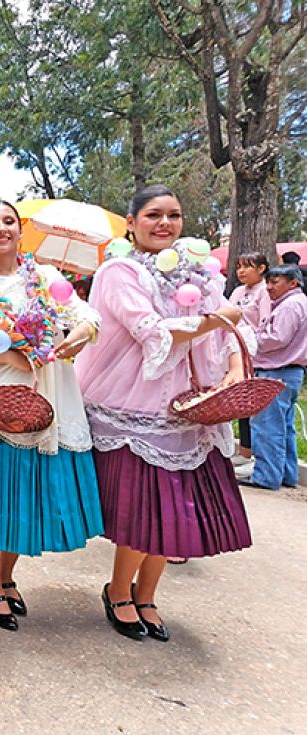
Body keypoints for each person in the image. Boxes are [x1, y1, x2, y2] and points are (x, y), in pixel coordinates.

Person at [76, 185, 251, 643]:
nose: (165, 223)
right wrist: (219, 318)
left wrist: (234, 368)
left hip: (194, 407)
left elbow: (230, 330)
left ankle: (147, 594)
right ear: (131, 223)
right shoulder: (118, 272)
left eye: (174, 215)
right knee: (142, 512)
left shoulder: (198, 270)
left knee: (174, 512)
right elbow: (151, 331)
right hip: (136, 406)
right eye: (153, 215)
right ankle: (118, 592)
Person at [0, 200, 103, 632]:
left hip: (43, 397)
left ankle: (7, 575)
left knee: (23, 495)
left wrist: (81, 332)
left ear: (20, 230)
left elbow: (83, 313)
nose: (1, 229)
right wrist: (7, 355)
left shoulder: (45, 278)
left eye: (8, 221)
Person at [243, 265, 306, 491]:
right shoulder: (298, 302)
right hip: (290, 372)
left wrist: (250, 338)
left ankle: (266, 476)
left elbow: (277, 338)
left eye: (275, 282)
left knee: (267, 427)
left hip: (276, 371)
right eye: (268, 282)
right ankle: (286, 474)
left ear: (293, 283)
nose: (269, 287)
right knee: (284, 427)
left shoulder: (290, 305)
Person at [228, 252, 271, 475]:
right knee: (240, 402)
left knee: (252, 404)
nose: (241, 271)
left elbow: (264, 323)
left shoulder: (265, 291)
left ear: (261, 268)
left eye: (247, 266)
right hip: (234, 351)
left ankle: (252, 452)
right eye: (239, 267)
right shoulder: (238, 291)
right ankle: (244, 450)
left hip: (254, 354)